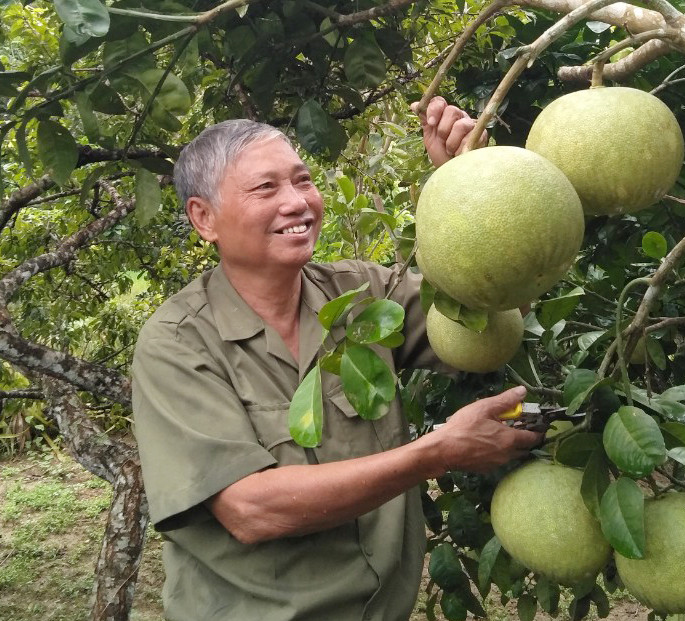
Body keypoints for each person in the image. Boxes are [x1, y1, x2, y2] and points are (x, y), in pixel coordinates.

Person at [131, 97, 543, 621]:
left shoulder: (365, 295)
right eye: (266, 187)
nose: (297, 202)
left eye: (302, 181)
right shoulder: (177, 343)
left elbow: (491, 308)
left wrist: (470, 179)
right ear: (204, 218)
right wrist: (436, 452)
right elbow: (250, 509)